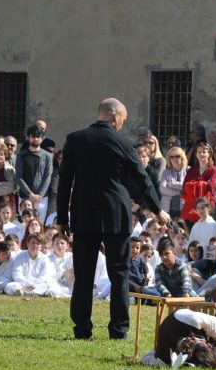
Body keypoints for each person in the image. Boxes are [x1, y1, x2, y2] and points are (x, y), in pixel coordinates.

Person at [56, 97, 166, 340]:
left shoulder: (75, 139)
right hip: (115, 214)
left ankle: (82, 329)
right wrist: (158, 210)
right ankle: (119, 329)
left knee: (83, 274)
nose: (122, 124)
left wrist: (62, 219)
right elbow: (141, 178)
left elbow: (65, 182)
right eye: (122, 120)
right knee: (119, 274)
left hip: (84, 214)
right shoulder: (124, 142)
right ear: (115, 116)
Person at [15, 125, 54, 223]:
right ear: (28, 138)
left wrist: (39, 195)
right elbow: (19, 177)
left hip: (41, 198)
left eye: (38, 137)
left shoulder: (48, 156)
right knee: (24, 224)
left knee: (39, 224)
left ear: (42, 139)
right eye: (33, 136)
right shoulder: (21, 155)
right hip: (25, 196)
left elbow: (47, 176)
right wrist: (30, 194)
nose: (36, 139)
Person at [5, 232, 55, 296]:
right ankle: (22, 292)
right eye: (33, 242)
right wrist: (27, 283)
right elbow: (16, 274)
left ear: (41, 246)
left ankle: (24, 292)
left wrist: (33, 284)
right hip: (22, 283)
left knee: (47, 284)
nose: (35, 245)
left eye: (38, 244)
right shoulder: (20, 256)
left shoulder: (45, 259)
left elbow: (44, 276)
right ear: (27, 243)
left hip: (37, 285)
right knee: (9, 285)